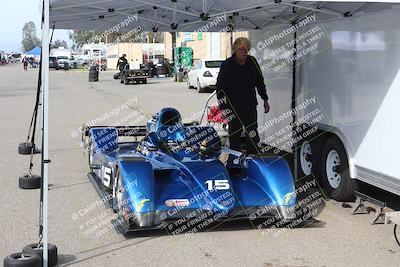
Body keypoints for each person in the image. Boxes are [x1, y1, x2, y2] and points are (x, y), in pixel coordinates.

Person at [216, 37, 270, 154]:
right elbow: (220, 88)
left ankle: (253, 157)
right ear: (235, 50)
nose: (244, 52)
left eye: (246, 49)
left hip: (250, 106)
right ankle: (235, 162)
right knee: (235, 136)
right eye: (241, 49)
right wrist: (223, 108)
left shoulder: (252, 61)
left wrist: (265, 99)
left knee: (253, 134)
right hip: (233, 108)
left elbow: (259, 82)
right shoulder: (227, 64)